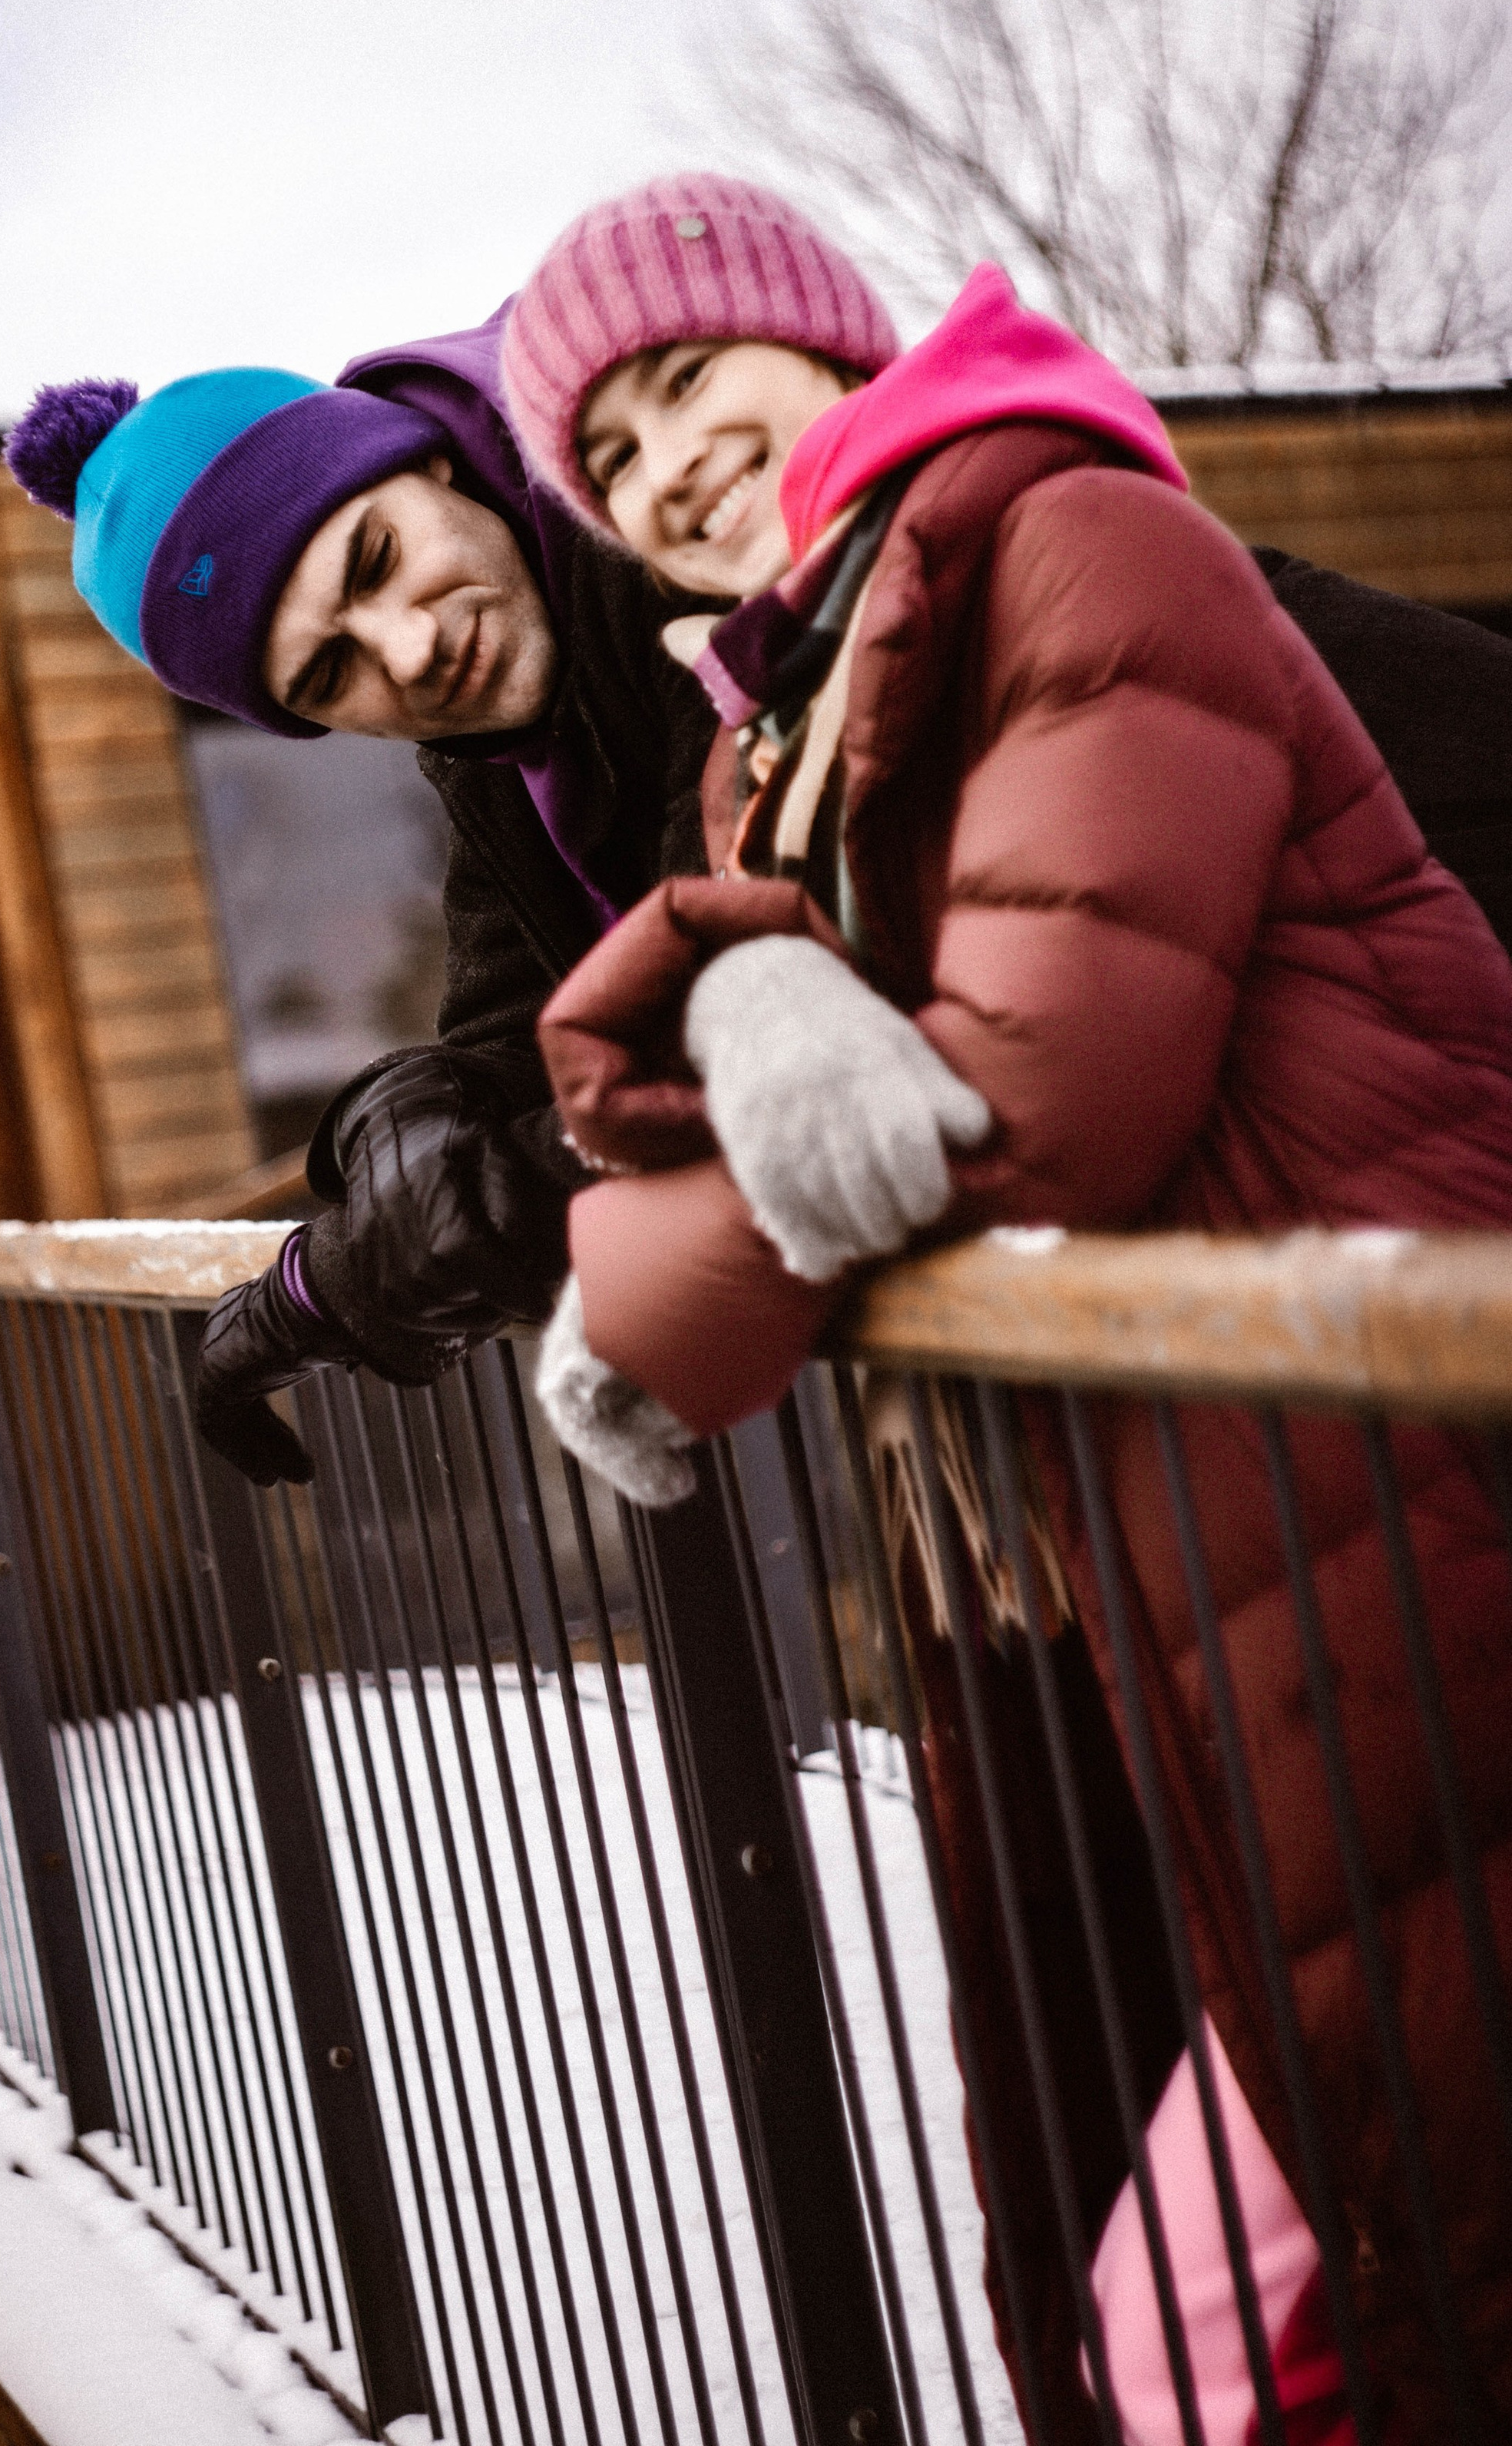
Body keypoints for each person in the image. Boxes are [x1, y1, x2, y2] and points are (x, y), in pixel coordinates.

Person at [498, 180, 1512, 2444]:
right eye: (614, 453)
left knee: (1311, 2295)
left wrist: (649, 1284)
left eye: (692, 385)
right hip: (1174, 1526)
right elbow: (727, 1070)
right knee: (1227, 2277)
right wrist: (745, 987)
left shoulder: (1068, 535)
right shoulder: (796, 698)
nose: (666, 464)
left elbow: (1031, 1109)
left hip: (1390, 1463)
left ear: (829, 347)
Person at [0, 243, 895, 1483]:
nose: (411, 651)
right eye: (329, 675)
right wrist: (401, 1119)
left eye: (372, 561)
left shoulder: (668, 554)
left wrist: (335, 1287)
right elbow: (525, 1018)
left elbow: (732, 1025)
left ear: (420, 461)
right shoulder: (496, 743)